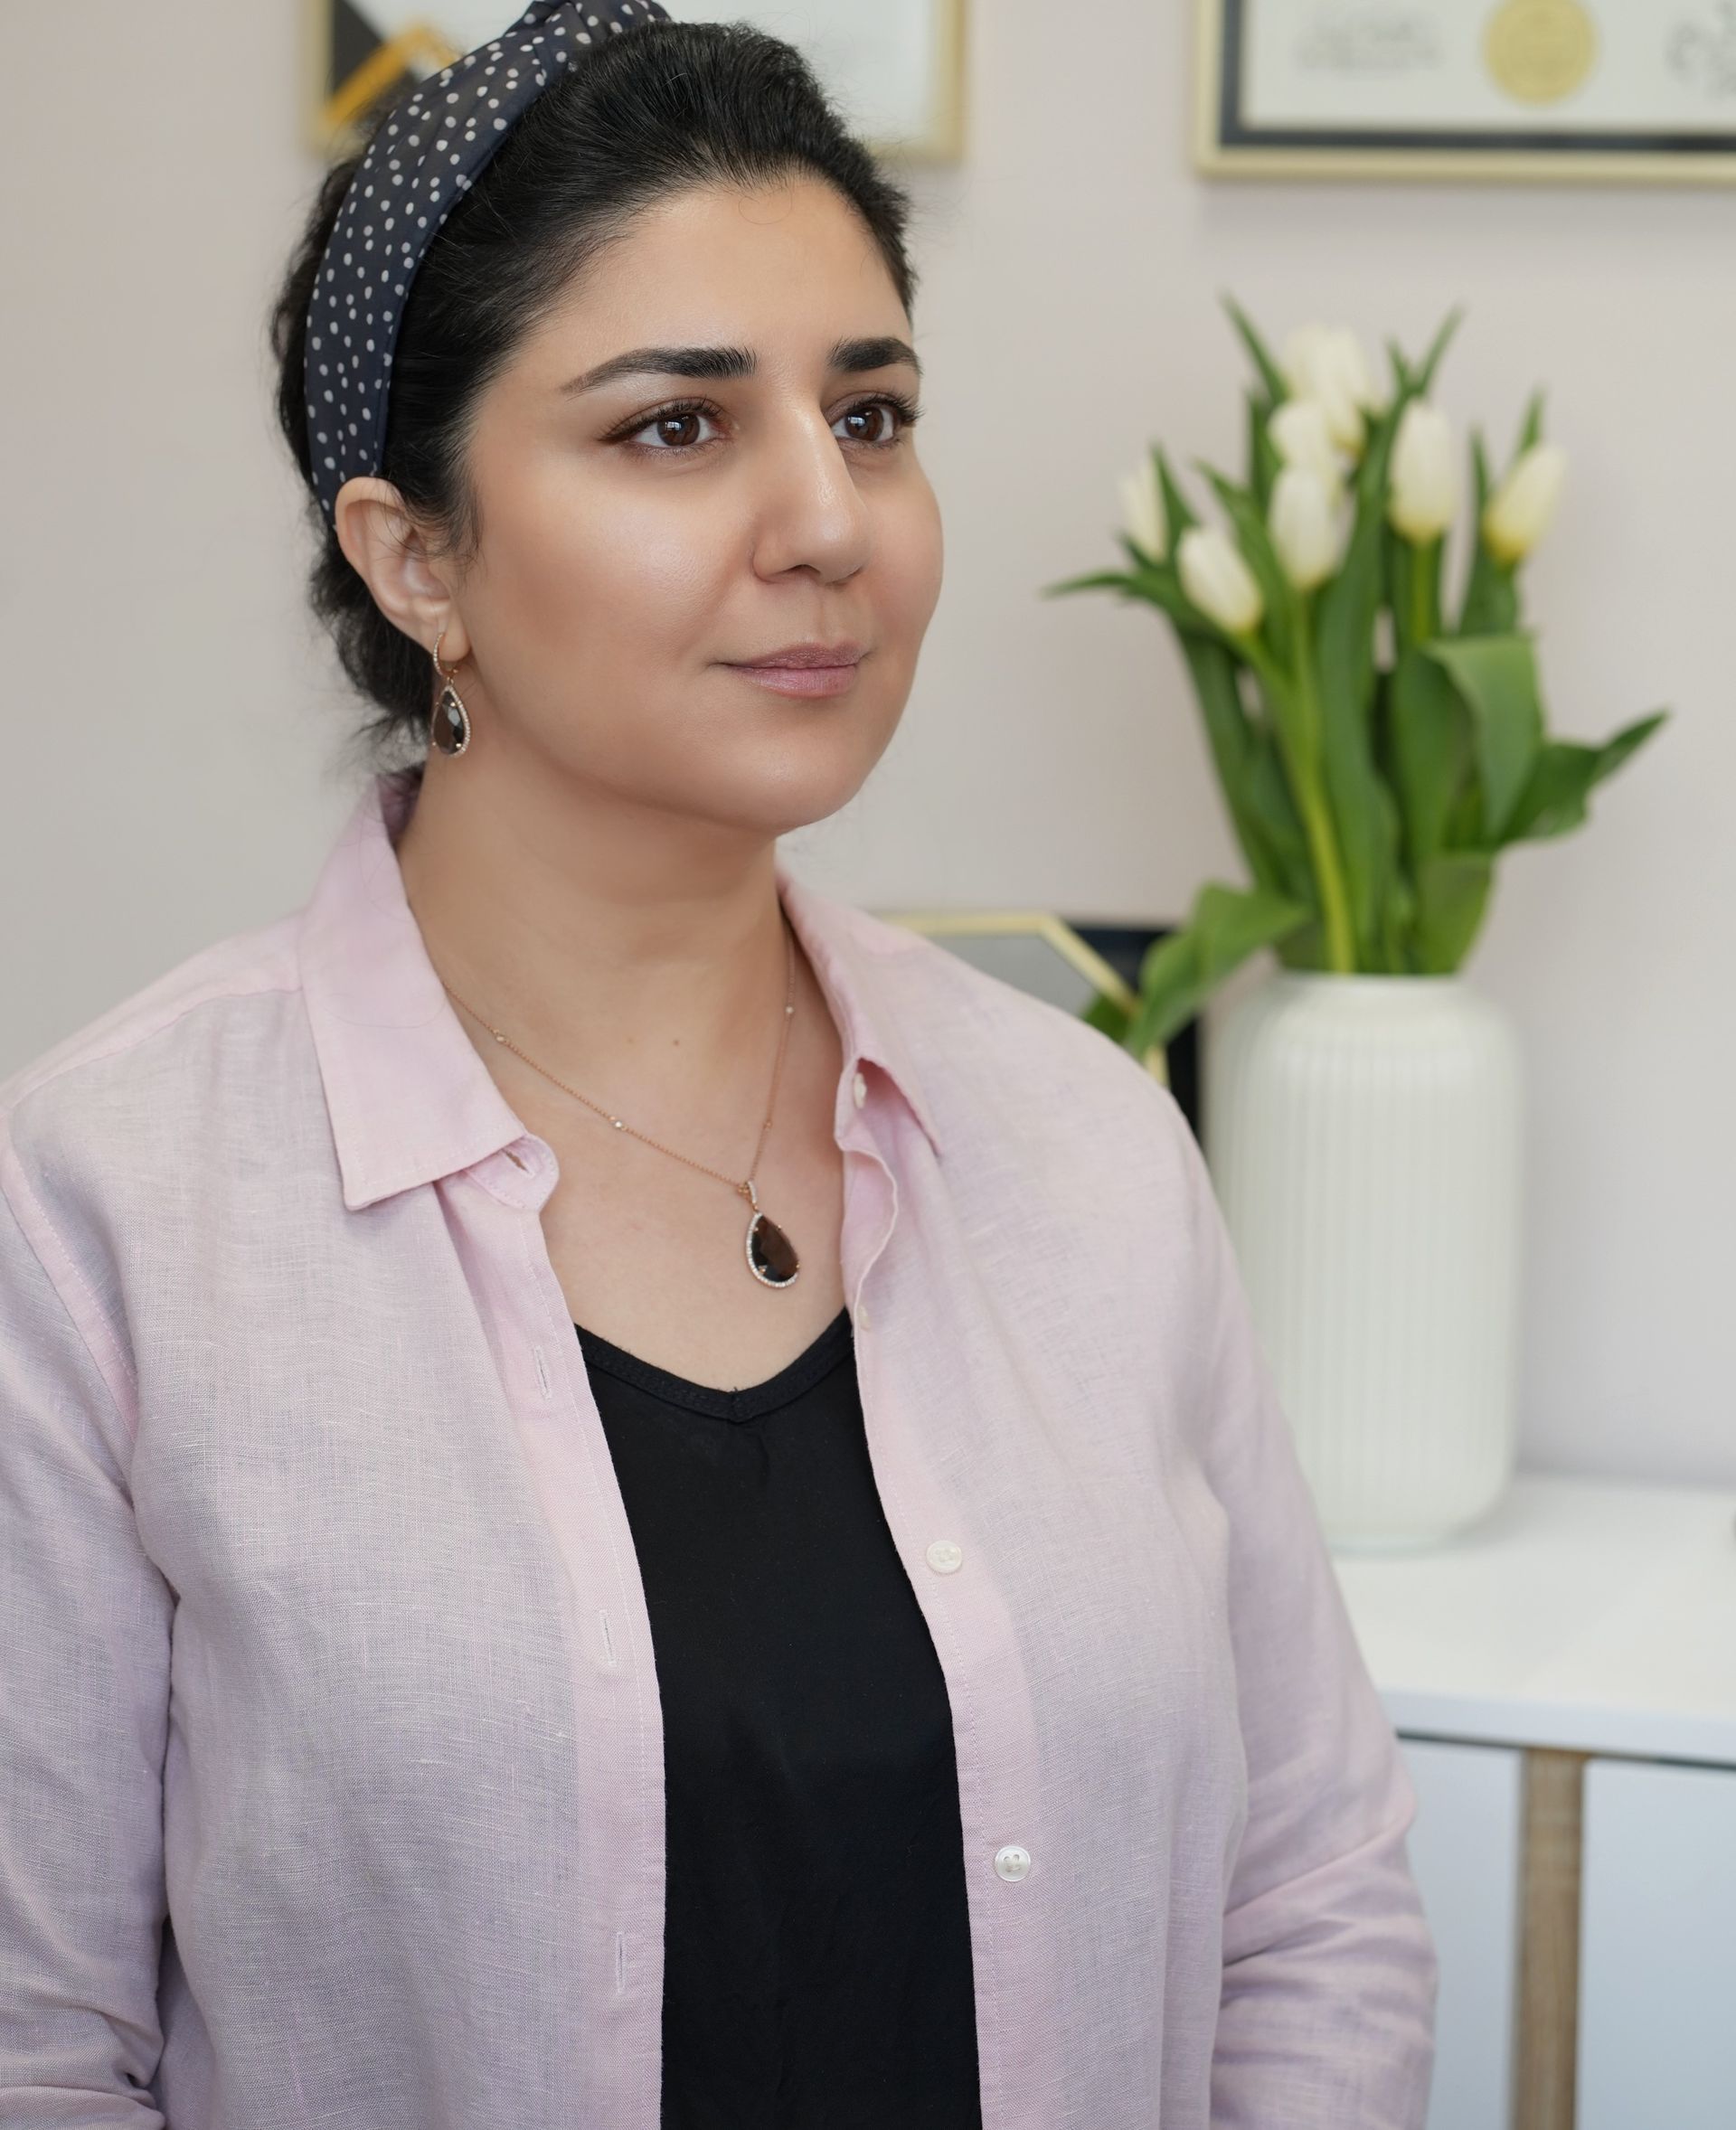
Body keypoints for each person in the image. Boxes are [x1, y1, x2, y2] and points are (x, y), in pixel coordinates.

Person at [0, 5, 1438, 2125]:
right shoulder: (108, 1204)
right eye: (676, 426)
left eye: (871, 414)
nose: (828, 518)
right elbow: (38, 2043)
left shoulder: (1088, 1137)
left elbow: (1310, 1902)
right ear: (416, 558)